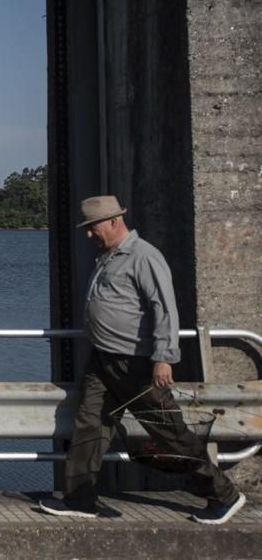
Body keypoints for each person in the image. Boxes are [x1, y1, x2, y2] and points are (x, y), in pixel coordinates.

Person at [37, 195, 246, 525]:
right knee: (90, 424)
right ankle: (80, 498)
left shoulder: (143, 256)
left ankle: (223, 495)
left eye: (92, 229)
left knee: (170, 434)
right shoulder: (108, 256)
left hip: (135, 363)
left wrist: (164, 357)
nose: (89, 235)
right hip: (103, 360)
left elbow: (164, 309)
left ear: (114, 222)